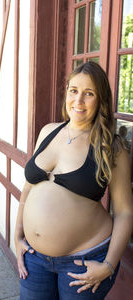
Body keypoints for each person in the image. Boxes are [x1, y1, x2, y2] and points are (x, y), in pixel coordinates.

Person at [14, 61, 133, 300]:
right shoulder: (48, 132)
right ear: (66, 92)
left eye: (89, 94)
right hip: (35, 259)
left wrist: (109, 265)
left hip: (84, 262)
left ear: (101, 100)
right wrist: (17, 236)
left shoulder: (111, 147)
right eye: (74, 91)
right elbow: (28, 188)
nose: (78, 101)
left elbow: (125, 213)